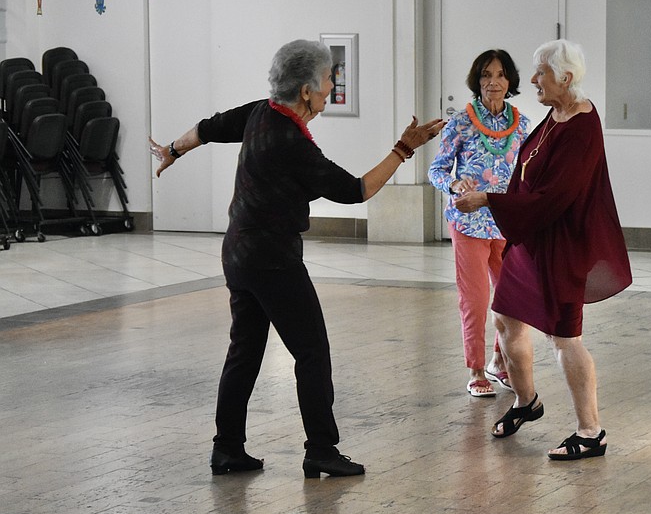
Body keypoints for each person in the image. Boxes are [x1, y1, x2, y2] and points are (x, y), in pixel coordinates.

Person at [150, 39, 445, 478]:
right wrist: (404, 149)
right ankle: (321, 450)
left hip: (238, 252)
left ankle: (228, 448)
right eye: (327, 79)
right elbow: (357, 190)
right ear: (307, 90)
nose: (331, 85)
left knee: (245, 351)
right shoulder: (290, 142)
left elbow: (208, 128)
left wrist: (173, 150)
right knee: (311, 352)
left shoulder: (260, 112)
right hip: (272, 259)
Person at [454, 39, 631, 460]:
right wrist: (500, 200)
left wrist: (488, 200)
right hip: (533, 240)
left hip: (563, 245)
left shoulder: (582, 124)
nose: (532, 79)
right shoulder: (555, 114)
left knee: (564, 337)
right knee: (507, 320)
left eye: (541, 72)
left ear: (565, 78)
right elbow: (525, 175)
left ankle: (590, 432)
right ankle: (526, 401)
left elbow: (555, 196)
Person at [428, 49, 529, 397]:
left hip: (507, 224)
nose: (493, 82)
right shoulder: (461, 122)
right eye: (486, 75)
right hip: (469, 223)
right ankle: (475, 370)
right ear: (477, 80)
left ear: (510, 81)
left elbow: (528, 174)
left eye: (500, 75)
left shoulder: (522, 124)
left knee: (510, 298)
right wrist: (454, 184)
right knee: (474, 299)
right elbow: (436, 169)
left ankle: (499, 363)